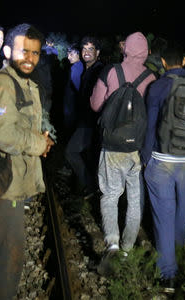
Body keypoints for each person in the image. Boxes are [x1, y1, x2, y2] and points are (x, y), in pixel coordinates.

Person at [0, 23, 54, 300]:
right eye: (24, 51)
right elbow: (2, 132)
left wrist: (38, 138)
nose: (30, 58)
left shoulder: (22, 83)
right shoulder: (3, 84)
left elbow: (14, 125)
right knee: (6, 262)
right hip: (3, 186)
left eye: (35, 53)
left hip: (9, 183)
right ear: (8, 51)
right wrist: (38, 143)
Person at [142, 41, 185, 293]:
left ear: (162, 63)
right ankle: (178, 254)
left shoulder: (157, 87)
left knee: (164, 216)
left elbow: (150, 127)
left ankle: (168, 273)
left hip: (162, 160)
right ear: (183, 62)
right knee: (183, 214)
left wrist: (146, 157)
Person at [90, 32, 156, 264]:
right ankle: (128, 248)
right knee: (135, 199)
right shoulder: (151, 77)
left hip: (112, 146)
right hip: (136, 147)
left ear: (125, 48)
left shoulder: (110, 71)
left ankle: (113, 242)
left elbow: (96, 105)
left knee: (110, 194)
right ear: (146, 51)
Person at [64, 36, 104, 198]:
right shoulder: (87, 70)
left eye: (91, 49)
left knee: (71, 152)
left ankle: (90, 185)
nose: (86, 52)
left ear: (98, 52)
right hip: (85, 121)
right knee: (86, 156)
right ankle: (84, 189)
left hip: (90, 123)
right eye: (84, 49)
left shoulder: (99, 71)